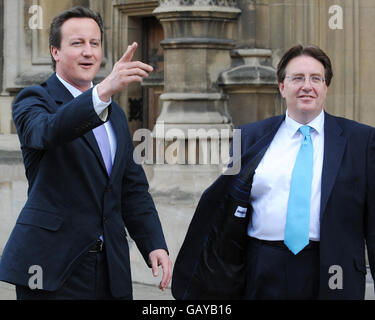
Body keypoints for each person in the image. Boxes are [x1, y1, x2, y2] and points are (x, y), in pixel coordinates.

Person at [172, 44, 375, 300]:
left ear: (325, 86)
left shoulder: (361, 140)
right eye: (297, 78)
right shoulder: (250, 136)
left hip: (333, 271)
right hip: (263, 268)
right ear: (282, 87)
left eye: (316, 78)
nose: (307, 86)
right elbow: (228, 208)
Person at [0, 6, 172, 300]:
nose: (88, 52)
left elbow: (131, 188)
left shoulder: (115, 115)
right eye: (77, 43)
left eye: (94, 43)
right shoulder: (33, 99)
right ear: (55, 51)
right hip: (52, 269)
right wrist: (102, 92)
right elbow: (48, 132)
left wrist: (154, 242)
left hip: (111, 268)